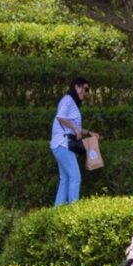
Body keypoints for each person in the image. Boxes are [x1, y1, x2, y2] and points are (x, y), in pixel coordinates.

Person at [50, 78, 92, 206]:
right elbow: (60, 116)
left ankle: (58, 211)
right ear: (77, 87)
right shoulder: (68, 99)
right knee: (75, 177)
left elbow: (75, 126)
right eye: (85, 89)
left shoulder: (71, 102)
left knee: (66, 178)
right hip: (63, 143)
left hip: (60, 144)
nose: (86, 93)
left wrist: (89, 133)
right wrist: (75, 129)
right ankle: (73, 211)